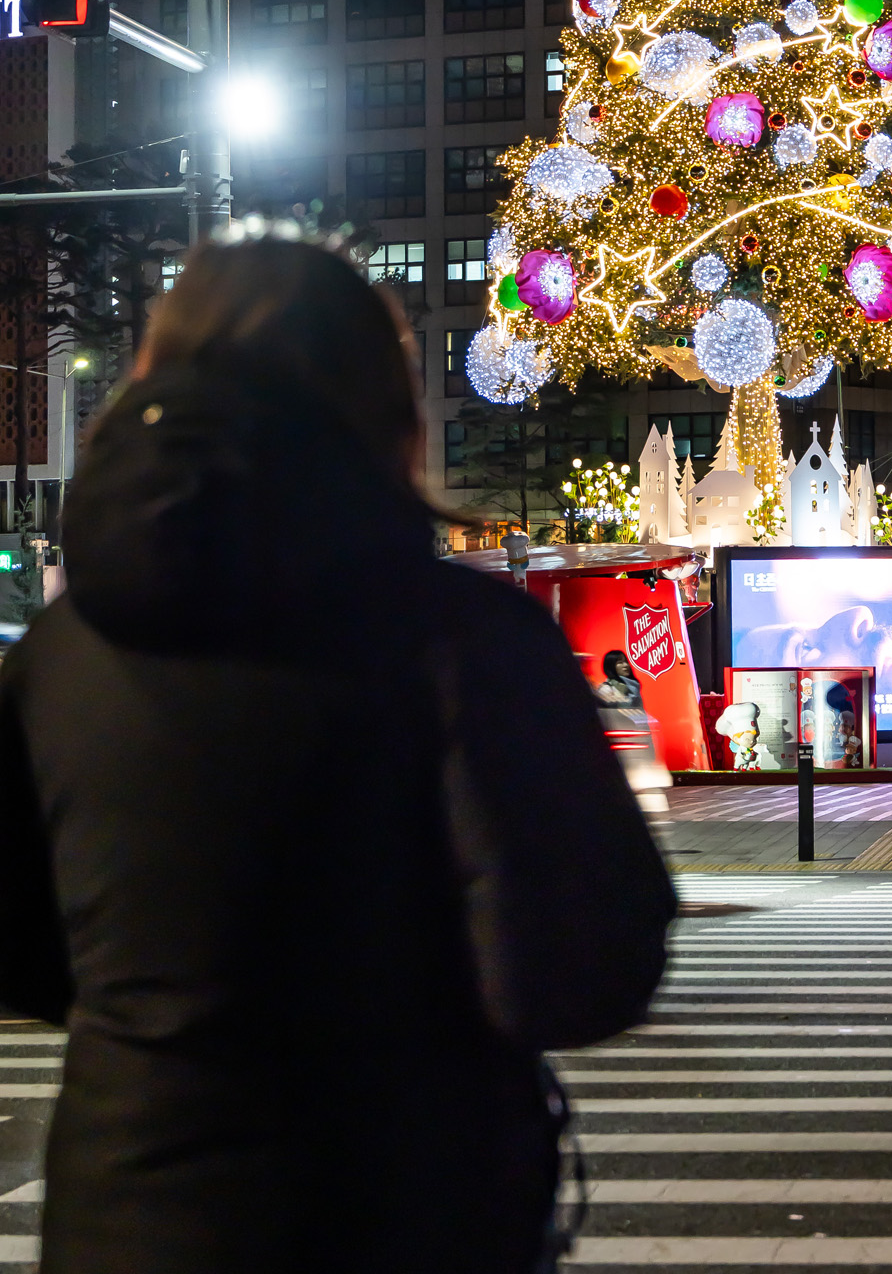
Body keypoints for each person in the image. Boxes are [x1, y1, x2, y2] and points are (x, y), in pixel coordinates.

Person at [0, 234, 676, 1274]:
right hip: (412, 1200)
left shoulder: (58, 655)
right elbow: (572, 973)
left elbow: (24, 951)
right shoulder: (468, 640)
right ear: (386, 402)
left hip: (131, 1206)